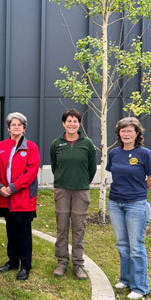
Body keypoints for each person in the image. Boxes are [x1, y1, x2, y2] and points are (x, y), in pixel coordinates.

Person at [0, 112, 40, 281]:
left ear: (24, 128)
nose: (16, 127)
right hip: (5, 198)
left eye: (19, 124)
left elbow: (31, 171)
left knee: (24, 233)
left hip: (23, 198)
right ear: (9, 127)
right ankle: (12, 262)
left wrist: (13, 187)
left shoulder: (31, 147)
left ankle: (25, 266)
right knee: (10, 231)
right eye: (13, 124)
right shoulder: (0, 146)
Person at [106, 117, 151, 300]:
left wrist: (139, 191)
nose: (126, 134)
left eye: (130, 131)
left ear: (137, 133)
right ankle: (125, 279)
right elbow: (114, 174)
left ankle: (140, 288)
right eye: (123, 131)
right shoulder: (114, 153)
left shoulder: (145, 153)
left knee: (136, 247)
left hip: (136, 204)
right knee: (122, 245)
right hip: (115, 203)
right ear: (119, 133)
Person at [49, 109, 97, 280]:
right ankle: (62, 262)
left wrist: (82, 182)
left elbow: (91, 168)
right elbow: (55, 166)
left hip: (81, 192)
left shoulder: (87, 143)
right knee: (62, 227)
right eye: (69, 121)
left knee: (78, 229)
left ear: (79, 124)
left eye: (75, 121)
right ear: (64, 123)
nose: (72, 124)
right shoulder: (56, 144)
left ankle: (78, 265)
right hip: (62, 190)